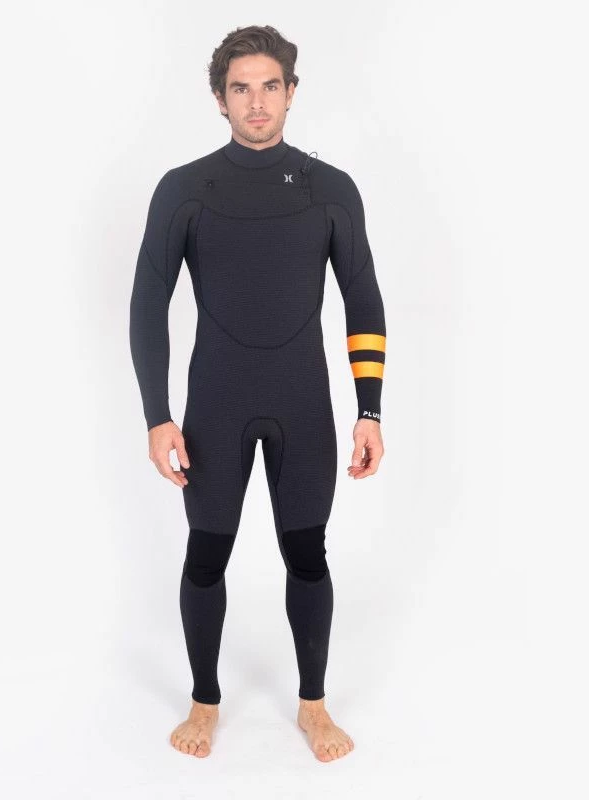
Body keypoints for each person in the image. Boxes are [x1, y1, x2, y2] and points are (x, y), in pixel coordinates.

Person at [129, 24, 386, 762]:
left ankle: (314, 705)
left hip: (305, 404)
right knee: (206, 555)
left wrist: (370, 409)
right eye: (240, 88)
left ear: (292, 92)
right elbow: (147, 305)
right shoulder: (184, 189)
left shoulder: (331, 189)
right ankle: (204, 702)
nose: (257, 102)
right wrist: (157, 416)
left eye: (270, 86)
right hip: (216, 404)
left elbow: (364, 301)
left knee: (308, 554)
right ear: (220, 99)